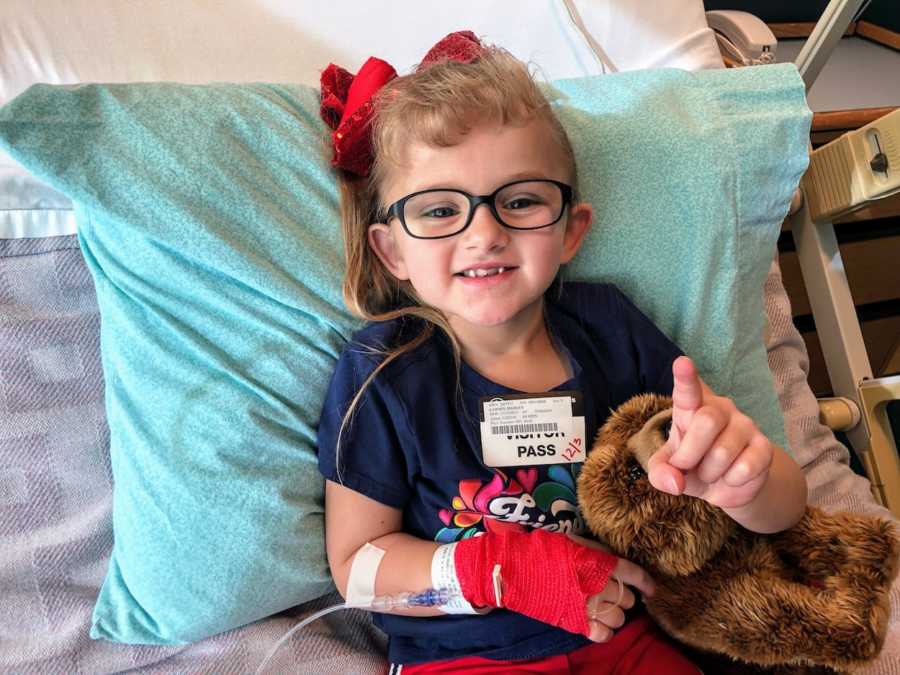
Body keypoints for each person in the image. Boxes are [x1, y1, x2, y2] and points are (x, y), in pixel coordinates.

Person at [316, 30, 808, 674]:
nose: (484, 233)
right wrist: (497, 571)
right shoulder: (384, 373)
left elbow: (784, 509)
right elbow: (357, 569)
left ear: (571, 230)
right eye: (439, 211)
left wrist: (746, 482)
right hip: (463, 658)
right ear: (392, 251)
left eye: (520, 202)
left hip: (624, 642)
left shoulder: (612, 331)